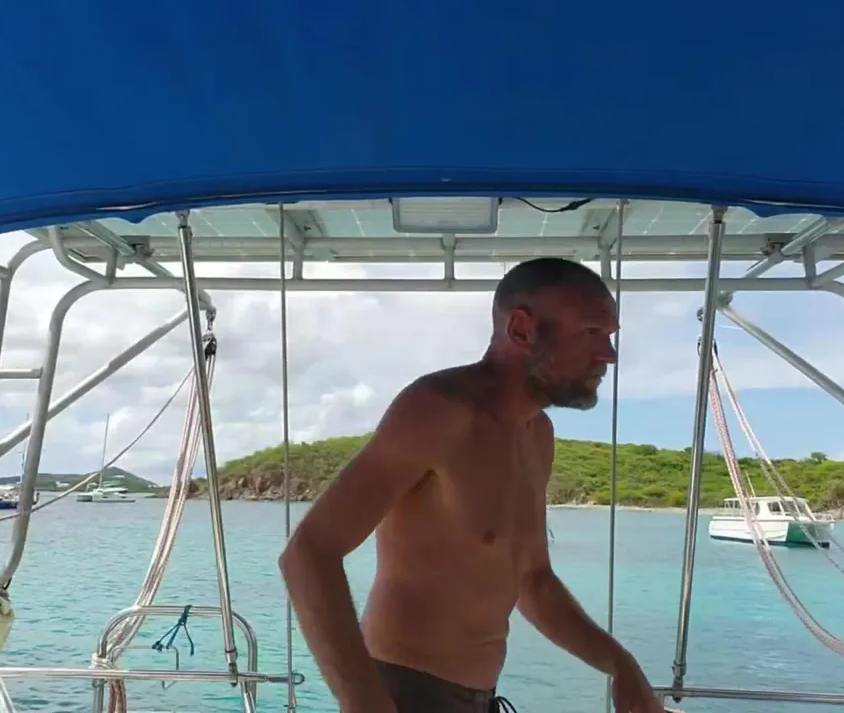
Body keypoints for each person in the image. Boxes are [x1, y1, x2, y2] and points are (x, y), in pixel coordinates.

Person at [278, 257, 664, 713]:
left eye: (610, 335)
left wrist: (621, 666)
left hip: (479, 698)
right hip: (403, 693)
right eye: (591, 333)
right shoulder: (439, 411)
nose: (609, 354)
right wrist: (364, 701)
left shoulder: (536, 436)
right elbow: (309, 553)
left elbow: (534, 581)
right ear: (521, 329)